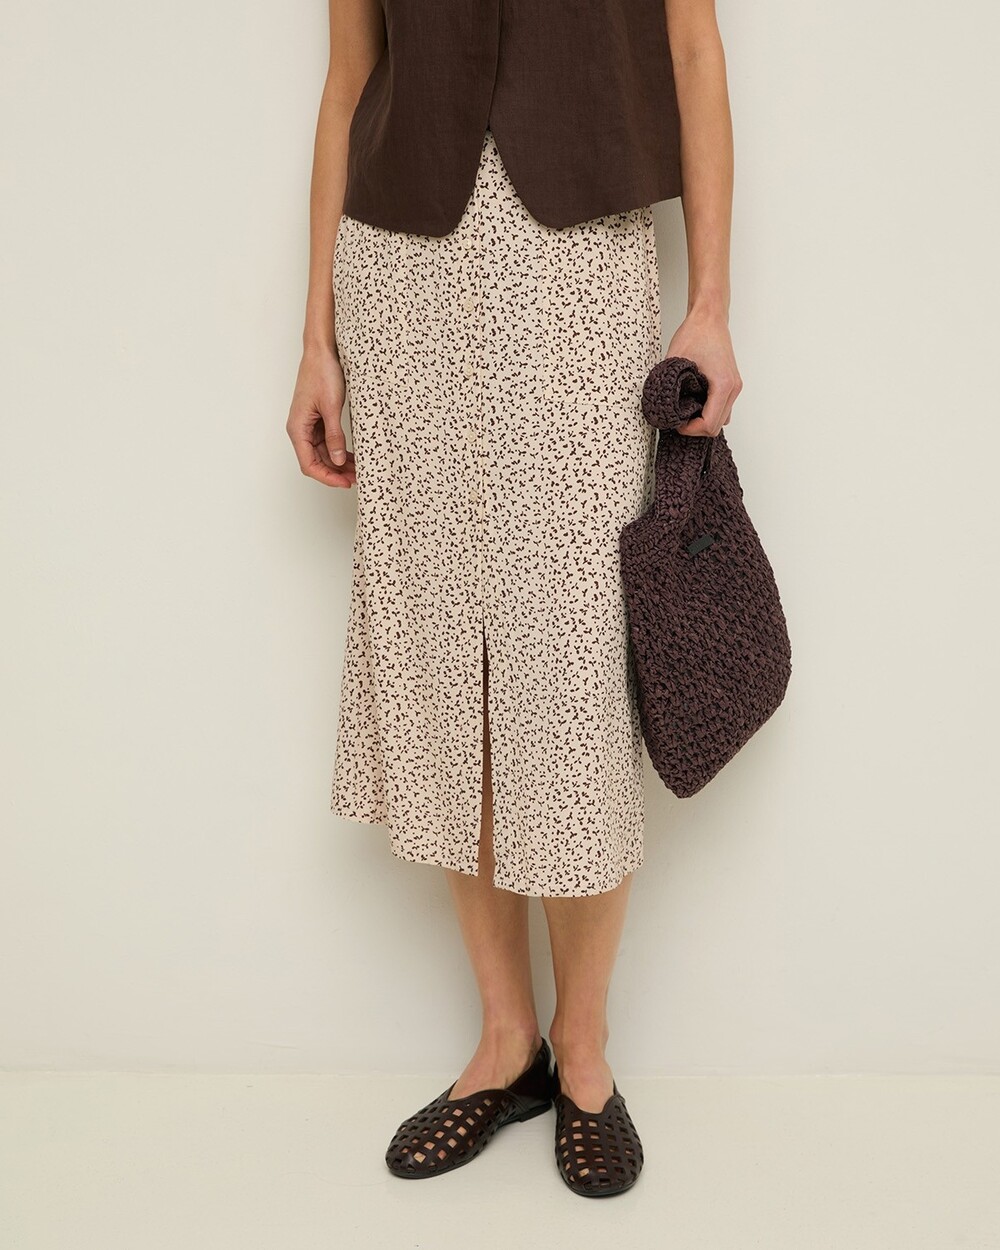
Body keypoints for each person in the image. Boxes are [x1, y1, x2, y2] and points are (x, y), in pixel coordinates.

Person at [286, 0, 742, 1198]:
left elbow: (693, 50)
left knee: (571, 661)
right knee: (445, 647)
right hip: (400, 268)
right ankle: (506, 1042)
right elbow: (348, 83)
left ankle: (583, 1053)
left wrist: (709, 302)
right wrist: (315, 338)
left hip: (578, 257)